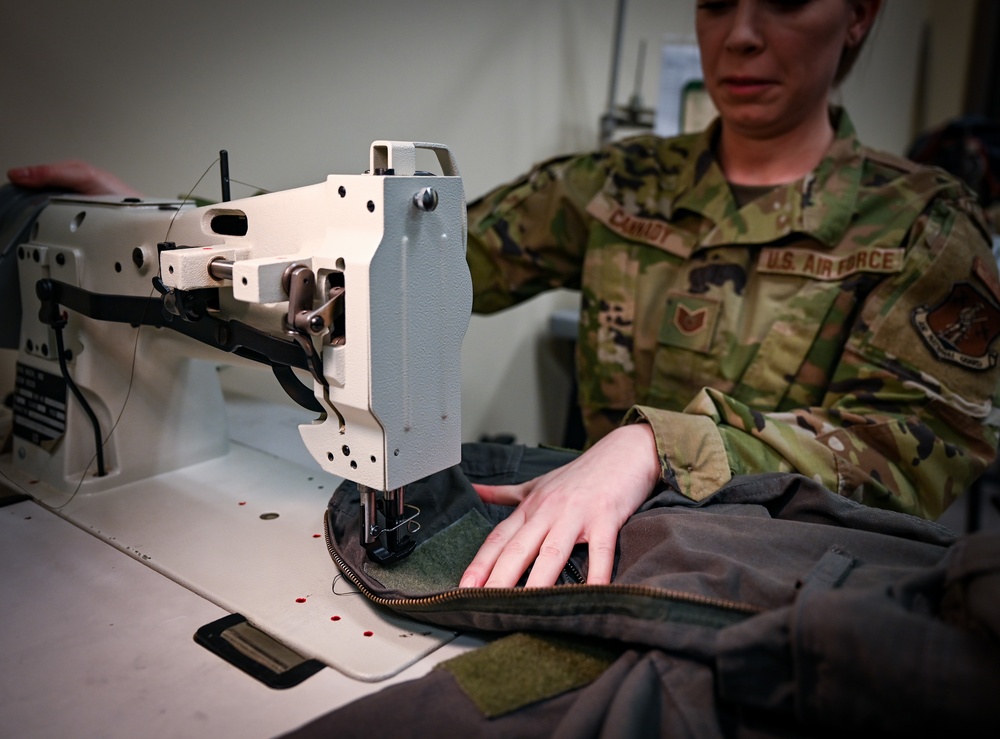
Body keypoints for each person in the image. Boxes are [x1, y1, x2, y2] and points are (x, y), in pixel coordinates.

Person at [9, 0, 1000, 593]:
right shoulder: (619, 185)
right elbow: (397, 261)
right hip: (604, 560)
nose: (738, 36)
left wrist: (656, 441)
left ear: (858, 13)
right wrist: (160, 232)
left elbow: (921, 449)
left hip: (792, 589)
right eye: (712, 1)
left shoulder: (924, 222)